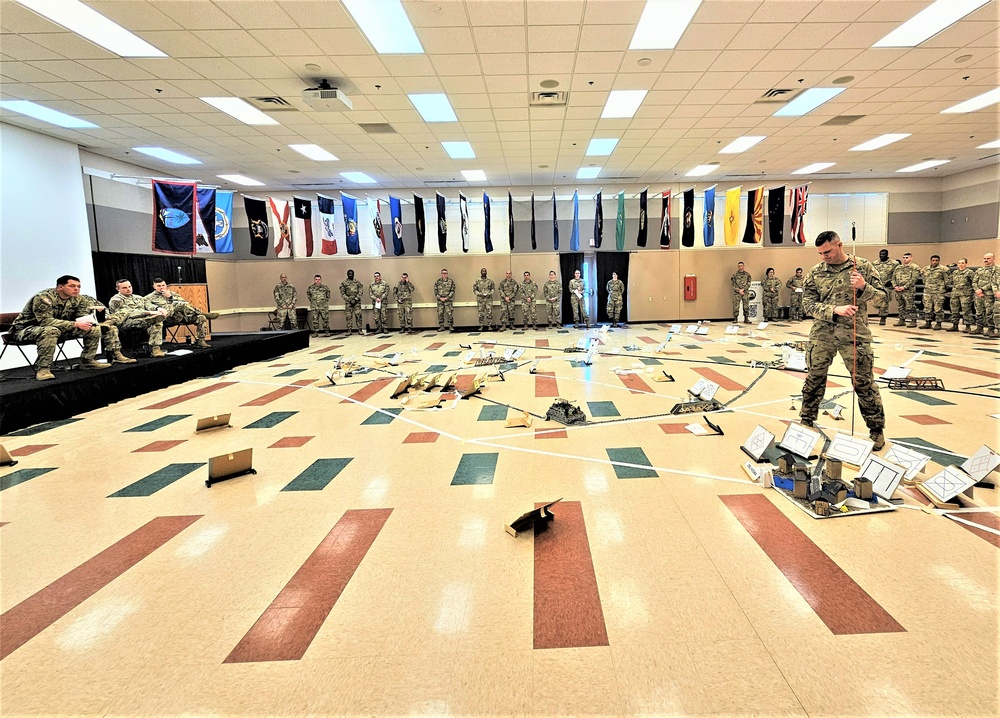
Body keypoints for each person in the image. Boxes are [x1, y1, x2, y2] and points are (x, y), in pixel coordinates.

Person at [800, 231, 887, 450]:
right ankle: (806, 420)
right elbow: (808, 304)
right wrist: (834, 310)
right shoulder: (816, 272)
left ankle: (876, 430)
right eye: (820, 253)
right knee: (814, 377)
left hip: (855, 335)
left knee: (864, 383)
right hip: (823, 333)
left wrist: (863, 287)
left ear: (840, 245)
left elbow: (883, 300)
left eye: (827, 251)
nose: (824, 257)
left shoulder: (863, 267)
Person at [11, 275, 113, 380]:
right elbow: (46, 321)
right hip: (25, 330)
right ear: (60, 287)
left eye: (79, 286)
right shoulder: (43, 298)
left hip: (58, 329)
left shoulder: (79, 298)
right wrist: (74, 324)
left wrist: (89, 320)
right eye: (72, 286)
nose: (76, 289)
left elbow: (80, 317)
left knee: (93, 328)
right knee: (50, 331)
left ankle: (88, 361)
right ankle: (43, 369)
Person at [145, 278, 215, 347]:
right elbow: (148, 307)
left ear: (166, 285)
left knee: (201, 318)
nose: (161, 287)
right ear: (154, 287)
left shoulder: (172, 294)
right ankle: (202, 313)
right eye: (159, 286)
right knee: (174, 305)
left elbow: (185, 303)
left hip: (180, 317)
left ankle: (201, 340)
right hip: (166, 318)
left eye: (163, 285)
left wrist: (170, 297)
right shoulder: (149, 297)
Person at [108, 279, 168, 357]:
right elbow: (128, 313)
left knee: (157, 320)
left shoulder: (138, 297)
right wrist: (148, 313)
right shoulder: (116, 300)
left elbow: (147, 305)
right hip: (126, 322)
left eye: (129, 286)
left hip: (142, 319)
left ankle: (156, 349)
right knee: (155, 319)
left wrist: (157, 308)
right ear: (118, 289)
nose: (128, 289)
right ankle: (152, 320)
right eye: (124, 288)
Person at [921, 255, 949, 330]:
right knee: (927, 307)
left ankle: (938, 323)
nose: (934, 262)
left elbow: (947, 281)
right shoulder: (925, 269)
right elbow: (924, 279)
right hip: (928, 291)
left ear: (939, 261)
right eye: (933, 260)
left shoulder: (944, 269)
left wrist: (942, 288)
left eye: (936, 260)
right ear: (930, 261)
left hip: (938, 292)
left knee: (938, 308)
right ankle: (928, 322)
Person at [891, 253, 920, 328]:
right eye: (903, 258)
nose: (904, 259)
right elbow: (893, 278)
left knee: (910, 305)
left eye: (907, 257)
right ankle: (901, 320)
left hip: (908, 290)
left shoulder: (915, 267)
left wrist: (905, 287)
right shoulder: (898, 268)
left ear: (911, 258)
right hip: (898, 290)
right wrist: (895, 286)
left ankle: (913, 320)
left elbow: (914, 279)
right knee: (900, 306)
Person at [971, 252, 996, 337]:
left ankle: (990, 328)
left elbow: (993, 282)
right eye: (984, 258)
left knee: (989, 312)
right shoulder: (979, 270)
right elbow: (974, 281)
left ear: (993, 259)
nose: (986, 260)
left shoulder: (996, 269)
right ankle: (979, 327)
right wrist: (977, 289)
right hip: (978, 294)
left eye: (988, 258)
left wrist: (982, 289)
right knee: (979, 311)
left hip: (989, 294)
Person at [948, 258, 976, 332]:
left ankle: (967, 326)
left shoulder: (969, 272)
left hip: (966, 294)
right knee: (954, 310)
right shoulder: (955, 272)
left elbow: (974, 282)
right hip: (955, 294)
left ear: (966, 264)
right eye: (959, 263)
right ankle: (955, 325)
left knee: (966, 310)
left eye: (963, 263)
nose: (961, 265)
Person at [872, 249, 899, 325]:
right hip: (877, 285)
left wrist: (892, 282)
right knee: (877, 302)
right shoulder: (875, 263)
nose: (881, 256)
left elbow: (897, 274)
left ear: (887, 255)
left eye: (883, 254)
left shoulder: (894, 264)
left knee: (884, 302)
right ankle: (881, 313)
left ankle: (883, 317)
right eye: (880, 254)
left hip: (887, 286)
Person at [339, 269, 364, 335]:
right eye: (349, 274)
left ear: (354, 274)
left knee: (358, 316)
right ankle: (349, 330)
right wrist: (349, 299)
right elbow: (342, 293)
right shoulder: (344, 283)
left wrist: (356, 299)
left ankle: (360, 330)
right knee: (348, 317)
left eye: (352, 274)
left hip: (357, 302)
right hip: (348, 303)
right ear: (347, 274)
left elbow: (361, 291)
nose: (351, 275)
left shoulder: (357, 282)